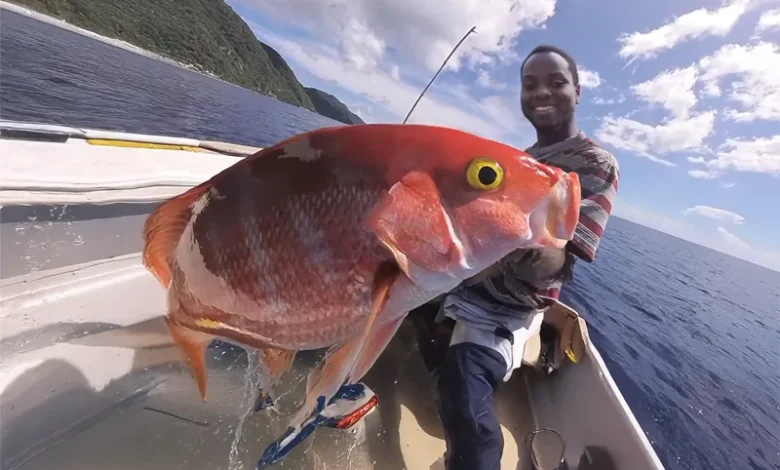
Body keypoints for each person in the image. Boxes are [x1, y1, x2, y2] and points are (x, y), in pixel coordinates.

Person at [408, 44, 620, 470]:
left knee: (462, 392)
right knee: (384, 298)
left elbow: (560, 261)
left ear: (577, 91)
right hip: (461, 281)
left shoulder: (595, 164)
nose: (541, 92)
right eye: (530, 84)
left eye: (556, 82)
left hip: (504, 308)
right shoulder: (522, 160)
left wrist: (536, 248)